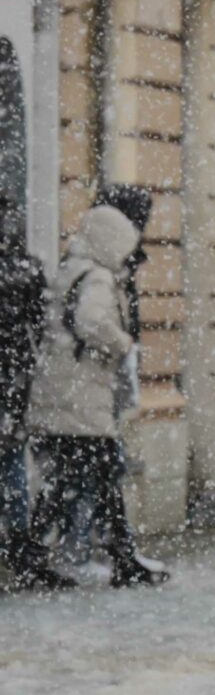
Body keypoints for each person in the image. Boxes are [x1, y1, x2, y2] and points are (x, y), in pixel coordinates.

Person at [25, 197, 165, 587]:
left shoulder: (72, 268)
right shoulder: (98, 277)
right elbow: (90, 322)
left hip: (64, 394)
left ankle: (40, 556)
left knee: (74, 480)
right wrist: (122, 344)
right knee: (98, 478)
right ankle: (118, 558)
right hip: (82, 400)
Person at [0, 235, 67, 591]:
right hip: (14, 380)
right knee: (12, 463)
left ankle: (20, 547)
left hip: (13, 380)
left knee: (12, 462)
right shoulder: (23, 266)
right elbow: (42, 328)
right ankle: (20, 548)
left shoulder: (21, 268)